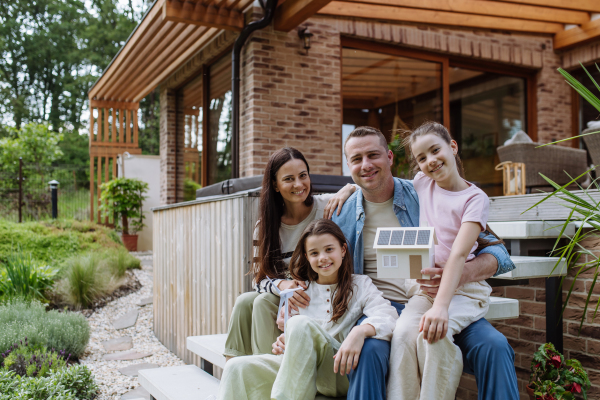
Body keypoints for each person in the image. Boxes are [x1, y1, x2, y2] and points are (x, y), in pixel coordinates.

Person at [332, 126, 520, 400]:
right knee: (370, 351)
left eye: (373, 155)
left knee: (495, 346)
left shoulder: (424, 188)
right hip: (381, 307)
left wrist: (460, 274)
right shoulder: (341, 211)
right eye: (356, 160)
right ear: (348, 165)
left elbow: (500, 255)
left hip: (446, 297)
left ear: (389, 158)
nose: (366, 165)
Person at [218, 219, 398, 400]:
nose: (323, 258)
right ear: (307, 257)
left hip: (337, 371)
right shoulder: (300, 292)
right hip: (301, 373)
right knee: (236, 368)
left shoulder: (360, 285)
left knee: (300, 323)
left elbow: (388, 315)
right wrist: (285, 341)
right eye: (314, 253)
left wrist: (360, 331)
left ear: (343, 250)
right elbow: (296, 339)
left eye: (329, 249)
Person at [386, 121, 496, 399]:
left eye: (435, 151)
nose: (431, 162)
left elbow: (459, 253)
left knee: (431, 335)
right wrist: (347, 189)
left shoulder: (475, 199)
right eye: (422, 158)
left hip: (464, 292)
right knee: (401, 336)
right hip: (428, 290)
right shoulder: (423, 183)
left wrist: (441, 308)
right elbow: (386, 186)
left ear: (453, 146)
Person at [223, 147, 356, 359]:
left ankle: (268, 371)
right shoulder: (266, 226)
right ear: (275, 185)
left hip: (315, 294)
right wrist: (282, 286)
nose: (298, 184)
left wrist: (347, 189)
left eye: (303, 176)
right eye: (289, 179)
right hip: (286, 294)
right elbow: (258, 280)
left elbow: (359, 189)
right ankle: (232, 365)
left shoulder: (326, 208)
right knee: (244, 301)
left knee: (261, 302)